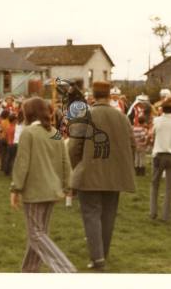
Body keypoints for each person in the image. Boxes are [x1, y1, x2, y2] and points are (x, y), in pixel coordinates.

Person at [69, 81, 136, 270]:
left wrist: (76, 167)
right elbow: (132, 145)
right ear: (109, 95)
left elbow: (74, 147)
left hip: (89, 172)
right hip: (115, 175)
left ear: (92, 95)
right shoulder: (122, 117)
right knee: (108, 216)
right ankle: (102, 255)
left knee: (91, 215)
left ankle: (98, 259)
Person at [10, 97, 76, 273]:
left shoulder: (28, 133)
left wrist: (15, 188)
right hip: (52, 190)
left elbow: (22, 163)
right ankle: (29, 271)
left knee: (36, 234)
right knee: (40, 234)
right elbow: (65, 162)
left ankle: (65, 269)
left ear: (29, 113)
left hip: (35, 191)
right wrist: (67, 186)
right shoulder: (54, 132)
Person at [149, 97, 171, 223]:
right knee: (169, 187)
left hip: (158, 154)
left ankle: (153, 212)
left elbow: (151, 134)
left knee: (155, 184)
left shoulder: (157, 120)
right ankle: (165, 216)